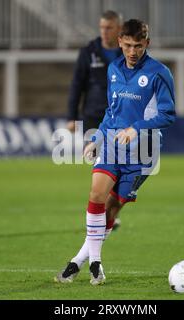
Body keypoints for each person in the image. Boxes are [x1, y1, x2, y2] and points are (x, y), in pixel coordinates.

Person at [55, 19, 176, 285]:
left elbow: (169, 114)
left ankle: (78, 261)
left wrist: (137, 128)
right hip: (111, 145)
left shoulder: (159, 73)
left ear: (147, 44)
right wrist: (96, 137)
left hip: (143, 154)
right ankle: (96, 263)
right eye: (128, 45)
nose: (133, 52)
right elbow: (112, 112)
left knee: (112, 209)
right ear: (120, 42)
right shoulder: (113, 69)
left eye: (139, 46)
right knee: (96, 194)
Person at [67, 10, 123, 230]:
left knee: (118, 166)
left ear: (118, 28)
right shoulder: (89, 51)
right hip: (93, 116)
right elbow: (76, 85)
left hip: (119, 117)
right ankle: (101, 213)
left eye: (109, 27)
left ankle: (107, 213)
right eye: (102, 27)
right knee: (102, 165)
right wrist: (72, 116)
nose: (104, 32)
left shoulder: (128, 50)